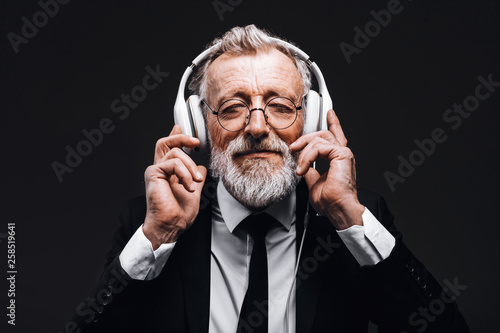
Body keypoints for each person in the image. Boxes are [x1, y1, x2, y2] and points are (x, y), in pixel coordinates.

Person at [70, 25, 469, 333]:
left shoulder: (352, 221)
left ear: (310, 118)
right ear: (199, 124)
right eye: (232, 107)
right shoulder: (151, 221)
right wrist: (157, 235)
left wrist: (349, 217)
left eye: (279, 107)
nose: (258, 127)